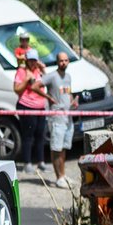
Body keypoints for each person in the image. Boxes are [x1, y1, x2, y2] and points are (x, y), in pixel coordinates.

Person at [41, 52, 76, 188]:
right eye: (61, 61)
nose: (64, 63)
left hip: (68, 116)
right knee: (56, 147)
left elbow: (68, 93)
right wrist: (48, 98)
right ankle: (58, 178)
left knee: (63, 147)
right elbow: (35, 86)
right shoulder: (52, 76)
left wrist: (72, 101)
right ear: (57, 62)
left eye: (66, 60)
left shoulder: (68, 77)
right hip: (56, 117)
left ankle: (63, 175)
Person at [13, 49, 50, 173]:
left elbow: (48, 81)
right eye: (31, 60)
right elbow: (17, 89)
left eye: (35, 60)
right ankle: (27, 163)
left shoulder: (38, 70)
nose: (33, 63)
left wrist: (43, 69)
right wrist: (26, 80)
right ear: (27, 60)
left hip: (40, 107)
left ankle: (41, 162)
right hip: (26, 106)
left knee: (40, 134)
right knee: (28, 136)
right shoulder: (21, 71)